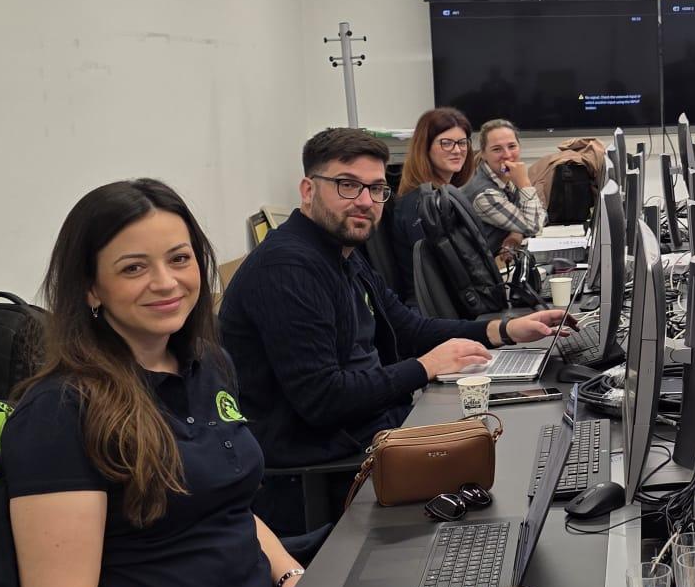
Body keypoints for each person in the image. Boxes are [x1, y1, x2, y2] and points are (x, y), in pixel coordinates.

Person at [0, 180, 297, 587]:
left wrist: (291, 578)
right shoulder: (60, 410)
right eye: (134, 267)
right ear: (91, 288)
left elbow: (230, 505)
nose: (166, 282)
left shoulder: (208, 363)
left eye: (179, 258)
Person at [221, 129, 564, 529]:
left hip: (372, 434)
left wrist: (503, 331)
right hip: (326, 471)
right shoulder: (288, 269)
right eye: (347, 185)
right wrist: (425, 367)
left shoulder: (341, 252)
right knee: (510, 490)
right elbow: (323, 398)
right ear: (308, 190)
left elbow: (408, 328)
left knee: (524, 448)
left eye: (376, 189)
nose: (365, 201)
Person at [391, 106, 472, 290]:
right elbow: (442, 269)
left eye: (462, 142)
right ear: (425, 148)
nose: (457, 150)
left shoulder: (445, 196)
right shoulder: (419, 203)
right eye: (446, 143)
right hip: (436, 303)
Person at [466, 119, 548, 244]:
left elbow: (542, 215)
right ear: (483, 154)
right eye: (497, 149)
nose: (507, 155)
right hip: (491, 256)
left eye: (512, 146)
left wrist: (516, 233)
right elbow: (535, 227)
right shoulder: (485, 195)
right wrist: (525, 184)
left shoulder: (508, 176)